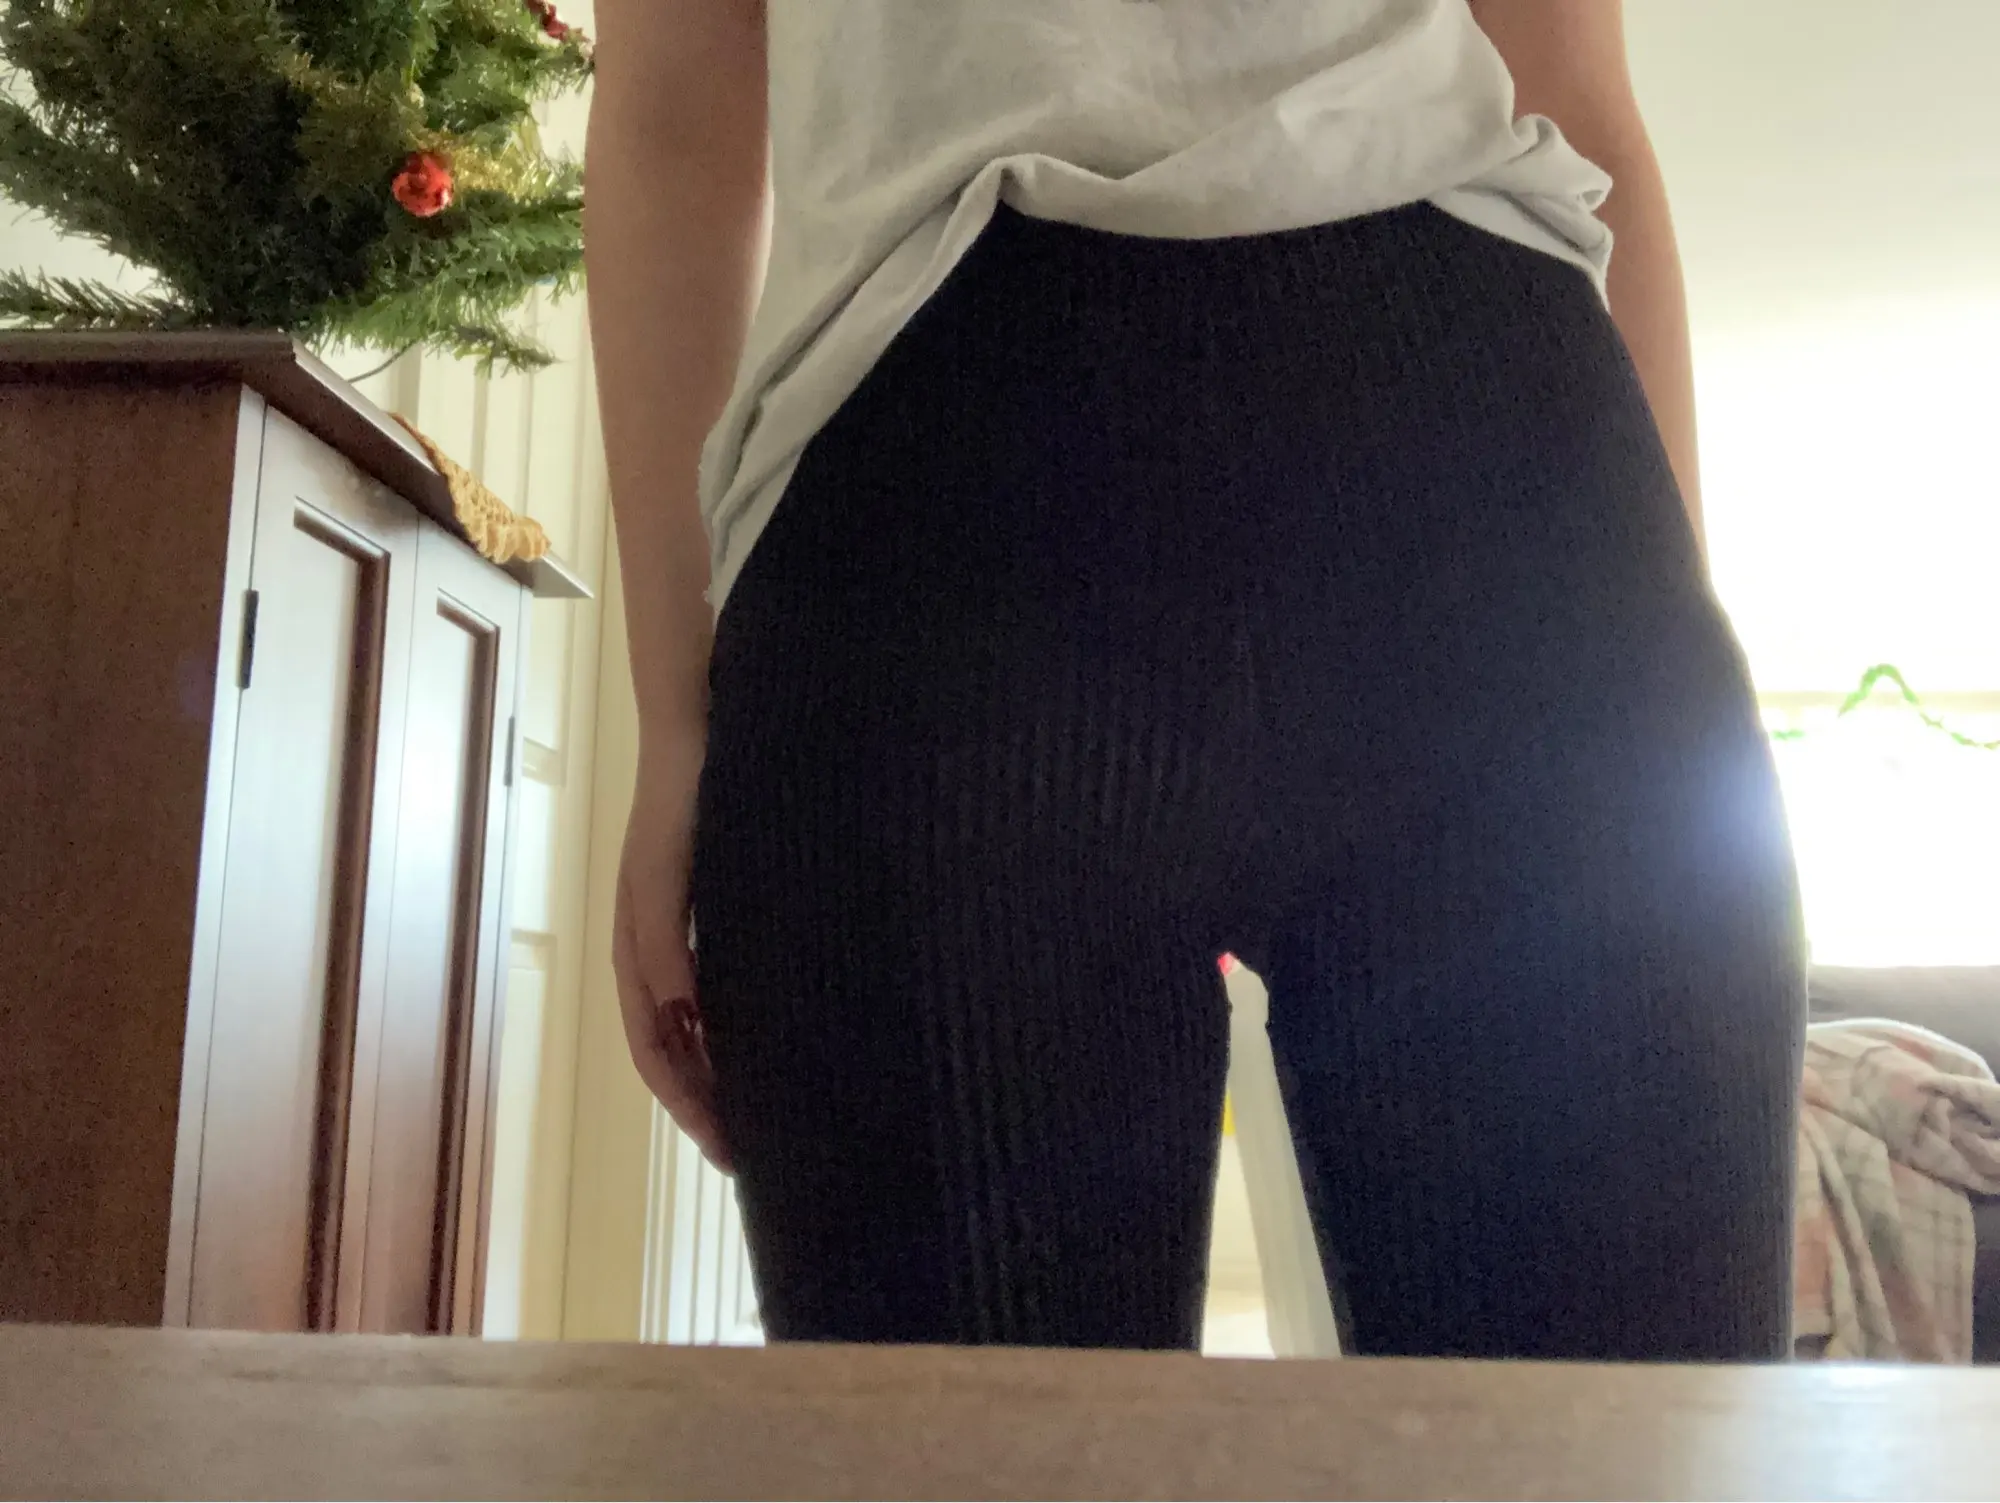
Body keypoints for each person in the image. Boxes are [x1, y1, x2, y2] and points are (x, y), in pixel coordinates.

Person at [588, 0, 1806, 1358]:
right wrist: (673, 719)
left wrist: (1677, 623)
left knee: (1632, 1436)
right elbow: (675, 122)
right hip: (1018, 500)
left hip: (1012, 513)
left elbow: (673, 120)